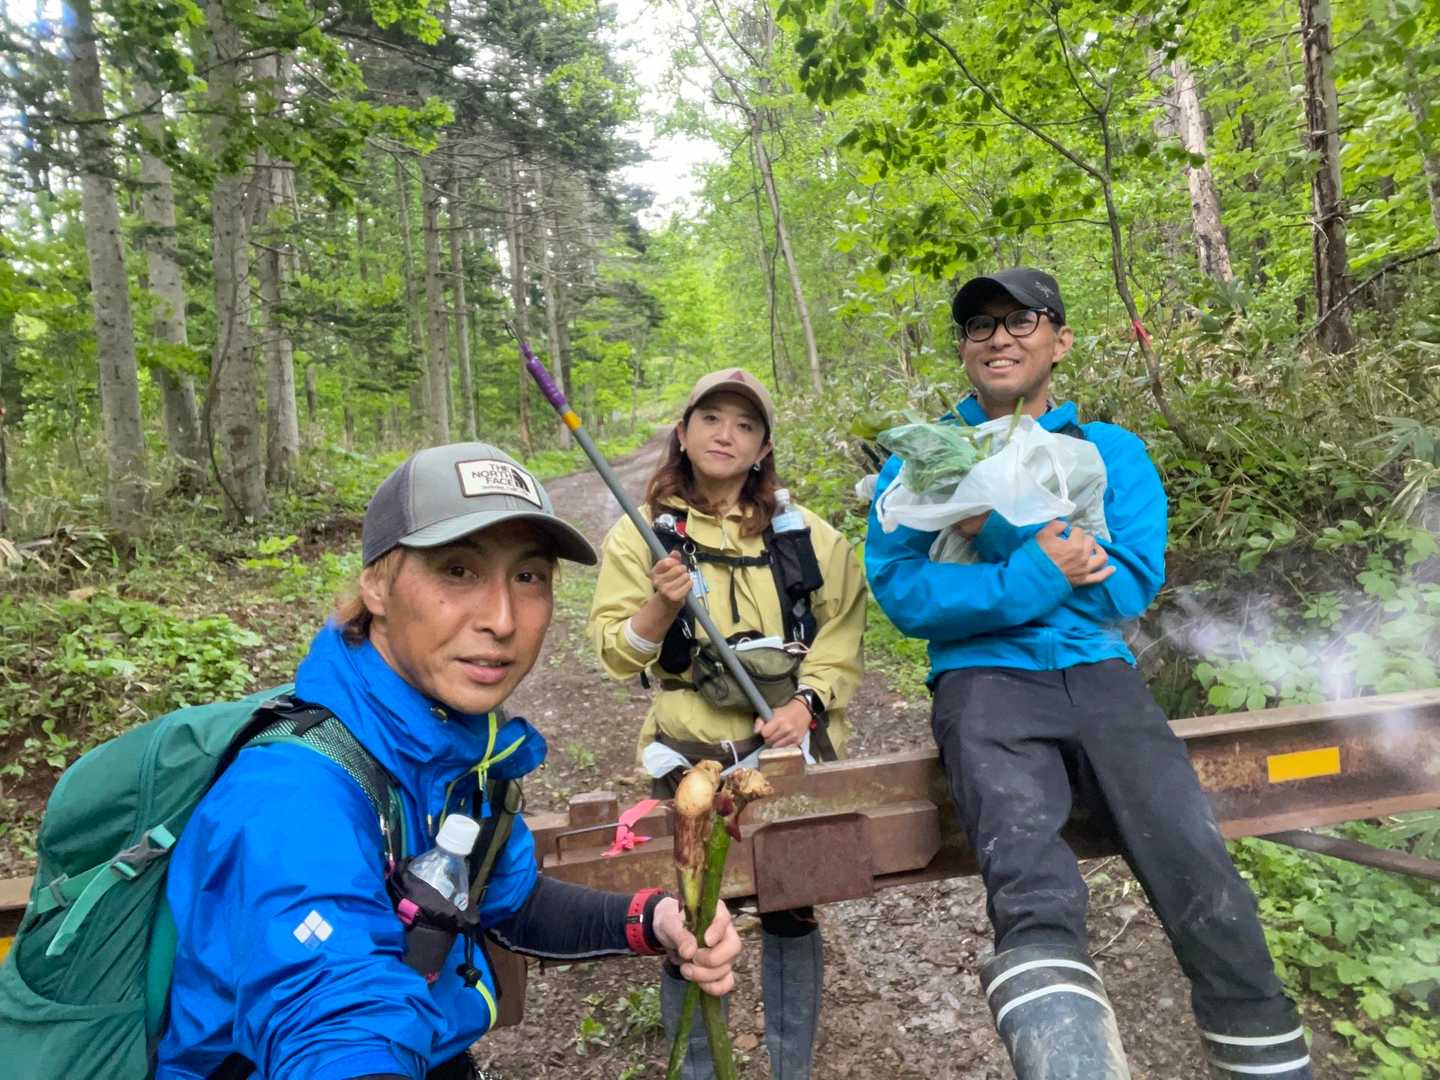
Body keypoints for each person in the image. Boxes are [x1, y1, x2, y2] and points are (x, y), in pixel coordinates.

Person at [156, 442, 741, 1080]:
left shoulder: (449, 747)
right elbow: (332, 1019)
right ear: (376, 584)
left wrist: (656, 919)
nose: (502, 619)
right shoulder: (292, 795)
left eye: (529, 577)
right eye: (457, 570)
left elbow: (509, 902)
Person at [864, 269, 1311, 1080]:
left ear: (1060, 340)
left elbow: (1127, 585)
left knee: (1198, 868)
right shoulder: (921, 459)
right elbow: (907, 595)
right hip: (983, 681)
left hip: (1102, 674)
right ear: (963, 351)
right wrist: (1042, 565)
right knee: (1029, 879)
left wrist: (993, 527)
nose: (999, 337)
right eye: (978, 326)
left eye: (1021, 319)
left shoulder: (1109, 452)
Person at [588, 368, 867, 1080]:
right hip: (689, 764)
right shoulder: (643, 535)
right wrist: (660, 605)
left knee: (792, 906)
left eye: (745, 425)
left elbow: (842, 624)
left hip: (783, 757)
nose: (725, 435)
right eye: (710, 418)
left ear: (763, 447)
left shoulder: (805, 535)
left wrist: (808, 703)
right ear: (683, 433)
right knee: (693, 919)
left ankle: (792, 1069)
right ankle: (698, 1069)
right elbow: (617, 654)